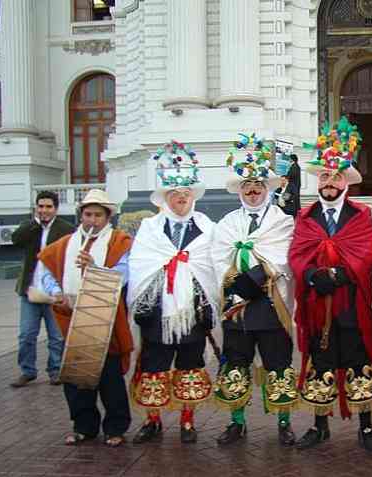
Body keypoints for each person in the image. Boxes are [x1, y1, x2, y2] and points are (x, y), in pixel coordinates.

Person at [289, 117, 372, 453]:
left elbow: (366, 252)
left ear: (346, 182)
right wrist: (313, 276)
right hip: (318, 306)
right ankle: (320, 425)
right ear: (319, 180)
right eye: (325, 176)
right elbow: (298, 253)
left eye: (336, 176)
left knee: (359, 361)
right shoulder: (305, 217)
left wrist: (340, 275)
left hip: (350, 303)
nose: (330, 182)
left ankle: (367, 426)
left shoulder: (360, 215)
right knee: (321, 361)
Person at [128, 141, 218, 444]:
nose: (181, 199)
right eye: (175, 195)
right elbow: (140, 267)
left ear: (192, 196)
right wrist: (144, 307)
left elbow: (212, 268)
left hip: (193, 315)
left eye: (186, 194)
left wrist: (207, 308)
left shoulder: (207, 228)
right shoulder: (150, 229)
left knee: (189, 369)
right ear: (165, 198)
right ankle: (152, 421)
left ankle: (187, 421)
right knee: (154, 370)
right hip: (158, 315)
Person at [212, 133, 297, 446]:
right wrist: (234, 285)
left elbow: (282, 258)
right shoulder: (227, 224)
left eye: (258, 186)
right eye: (247, 186)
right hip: (237, 309)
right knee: (236, 365)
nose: (252, 191)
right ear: (240, 190)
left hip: (271, 306)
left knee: (278, 366)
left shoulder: (282, 221)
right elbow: (216, 258)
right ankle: (237, 422)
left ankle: (284, 422)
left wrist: (252, 280)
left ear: (266, 189)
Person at [37, 189, 134, 447]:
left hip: (107, 318)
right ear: (81, 215)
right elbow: (45, 271)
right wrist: (56, 292)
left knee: (110, 378)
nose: (92, 220)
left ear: (108, 216)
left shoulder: (119, 241)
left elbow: (124, 274)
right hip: (72, 317)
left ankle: (115, 427)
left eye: (97, 215)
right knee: (77, 376)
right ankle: (84, 427)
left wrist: (95, 268)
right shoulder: (65, 243)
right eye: (87, 214)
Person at [10, 191, 74, 387]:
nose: (44, 210)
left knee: (56, 336)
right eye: (41, 206)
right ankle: (27, 371)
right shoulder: (29, 226)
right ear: (36, 207)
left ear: (56, 208)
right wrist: (34, 224)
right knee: (27, 334)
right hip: (30, 289)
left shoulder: (66, 229)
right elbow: (16, 239)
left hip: (54, 291)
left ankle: (55, 370)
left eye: (48, 207)